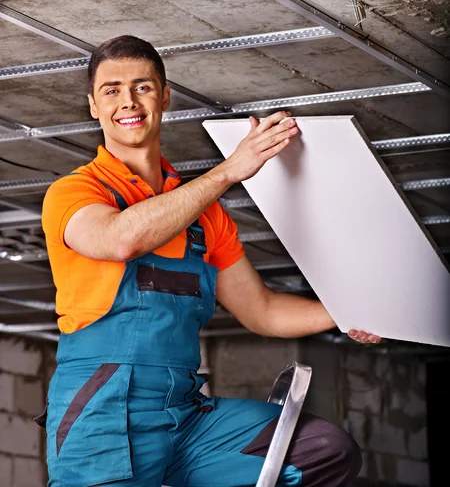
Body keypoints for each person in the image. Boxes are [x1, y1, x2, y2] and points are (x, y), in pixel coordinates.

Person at [39, 34, 381, 487]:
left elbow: (261, 310)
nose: (129, 101)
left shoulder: (205, 218)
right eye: (112, 90)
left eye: (142, 87)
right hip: (101, 413)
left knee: (320, 450)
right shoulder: (77, 192)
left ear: (164, 95)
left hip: (184, 413)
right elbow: (121, 239)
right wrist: (228, 171)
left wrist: (347, 314)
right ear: (93, 105)